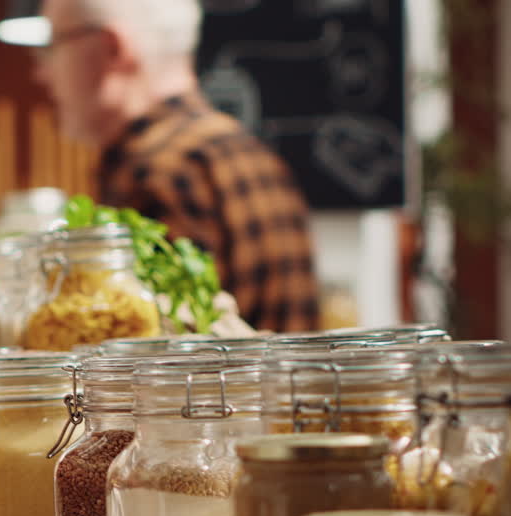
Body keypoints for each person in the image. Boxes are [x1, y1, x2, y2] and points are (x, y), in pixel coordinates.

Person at [34, 0, 322, 333]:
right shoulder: (250, 149)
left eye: (52, 46)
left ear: (113, 48)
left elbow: (158, 357)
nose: (42, 73)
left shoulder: (154, 171)